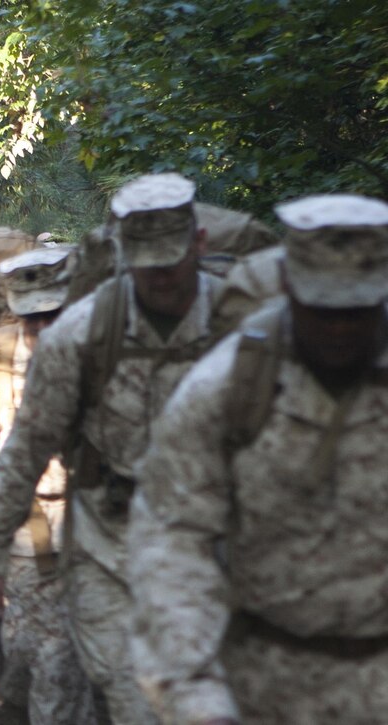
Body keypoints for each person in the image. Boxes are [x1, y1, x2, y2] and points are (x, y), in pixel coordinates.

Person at [0, 173, 220, 725]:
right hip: (113, 547)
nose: (158, 279)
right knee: (138, 701)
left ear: (198, 244)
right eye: (144, 263)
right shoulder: (79, 337)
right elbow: (25, 451)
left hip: (222, 548)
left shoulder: (245, 325)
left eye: (170, 261)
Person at [129, 194, 388, 725]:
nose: (340, 327)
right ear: (290, 284)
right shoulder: (226, 387)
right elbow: (173, 538)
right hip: (260, 684)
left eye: (355, 309)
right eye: (323, 308)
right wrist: (195, 696)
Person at [0, 246, 95, 724]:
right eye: (34, 320)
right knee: (31, 670)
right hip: (28, 546)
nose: (45, 331)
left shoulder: (109, 356)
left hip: (103, 542)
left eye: (56, 315)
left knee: (84, 678)